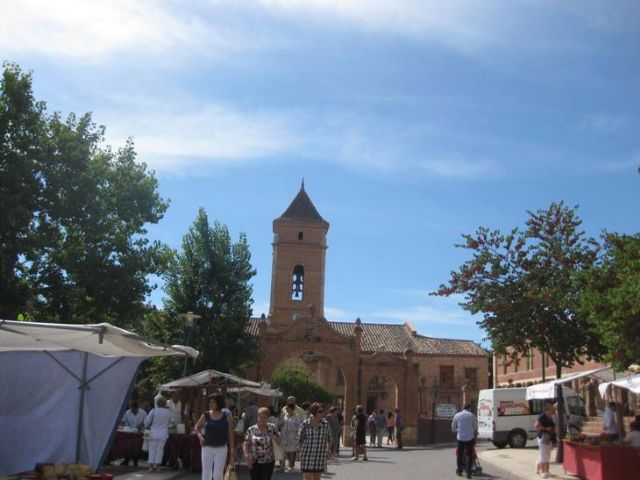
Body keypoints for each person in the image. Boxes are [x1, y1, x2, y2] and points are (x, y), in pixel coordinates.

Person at [194, 394, 236, 480]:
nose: (210, 404)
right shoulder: (206, 415)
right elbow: (197, 427)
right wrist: (200, 437)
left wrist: (232, 450)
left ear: (219, 403)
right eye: (210, 402)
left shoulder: (226, 415)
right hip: (207, 448)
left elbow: (230, 433)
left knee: (217, 475)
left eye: (213, 402)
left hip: (221, 448)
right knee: (206, 474)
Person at [244, 407, 280, 480]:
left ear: (268, 418)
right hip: (254, 460)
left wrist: (275, 438)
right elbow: (246, 443)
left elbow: (279, 441)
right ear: (258, 417)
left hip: (268, 460)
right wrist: (246, 455)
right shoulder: (252, 429)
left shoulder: (272, 428)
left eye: (265, 417)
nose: (262, 419)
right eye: (260, 417)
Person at [298, 402, 332, 480]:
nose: (322, 413)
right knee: (307, 477)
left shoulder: (325, 424)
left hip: (319, 455)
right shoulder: (305, 423)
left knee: (317, 478)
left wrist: (328, 449)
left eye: (323, 411)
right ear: (314, 412)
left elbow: (329, 438)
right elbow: (299, 438)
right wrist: (299, 450)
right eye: (320, 411)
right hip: (306, 454)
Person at [144, 395, 172, 473]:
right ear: (165, 403)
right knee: (160, 450)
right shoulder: (168, 412)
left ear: (157, 403)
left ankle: (151, 466)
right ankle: (157, 466)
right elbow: (171, 423)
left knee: (152, 449)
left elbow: (146, 422)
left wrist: (147, 426)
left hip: (153, 433)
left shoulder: (153, 411)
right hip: (163, 434)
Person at [451, 403, 477, 479]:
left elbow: (453, 428)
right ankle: (469, 472)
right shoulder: (472, 415)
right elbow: (475, 427)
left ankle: (459, 471)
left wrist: (458, 431)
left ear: (463, 408)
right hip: (470, 438)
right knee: (469, 454)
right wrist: (471, 430)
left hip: (460, 438)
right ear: (469, 408)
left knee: (459, 454)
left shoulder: (457, 415)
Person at [120, 401, 147, 467]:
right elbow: (123, 421)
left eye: (134, 409)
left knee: (136, 447)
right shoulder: (127, 412)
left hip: (139, 433)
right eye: (131, 409)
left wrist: (141, 426)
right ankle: (126, 460)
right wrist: (124, 425)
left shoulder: (143, 413)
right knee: (127, 446)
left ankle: (135, 461)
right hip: (129, 432)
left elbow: (146, 423)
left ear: (137, 408)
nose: (133, 410)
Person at [534, 403, 556, 479]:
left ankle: (546, 471)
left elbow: (553, 429)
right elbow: (536, 426)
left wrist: (553, 440)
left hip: (549, 438)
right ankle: (543, 472)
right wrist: (546, 429)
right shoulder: (542, 416)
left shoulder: (550, 417)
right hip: (542, 438)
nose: (554, 411)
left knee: (547, 455)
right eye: (552, 410)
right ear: (548, 409)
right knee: (544, 455)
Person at [279, 401, 302, 472]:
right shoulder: (284, 415)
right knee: (283, 451)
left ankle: (290, 465)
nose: (286, 409)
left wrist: (294, 431)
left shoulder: (296, 416)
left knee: (291, 452)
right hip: (284, 436)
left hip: (292, 436)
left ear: (291, 408)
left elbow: (299, 426)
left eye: (287, 408)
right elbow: (280, 424)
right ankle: (282, 466)